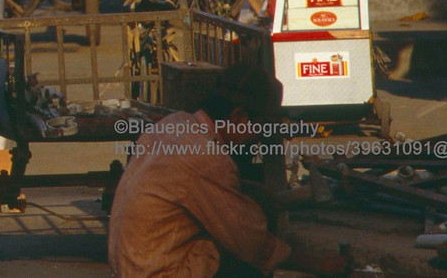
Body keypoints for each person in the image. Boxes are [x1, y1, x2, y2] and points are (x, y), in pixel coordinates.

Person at [109, 65, 346, 277]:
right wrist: (319, 265)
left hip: (130, 266)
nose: (257, 137)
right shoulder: (208, 158)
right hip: (157, 272)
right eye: (260, 126)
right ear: (238, 117)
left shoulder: (174, 123)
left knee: (251, 203)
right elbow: (251, 242)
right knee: (238, 245)